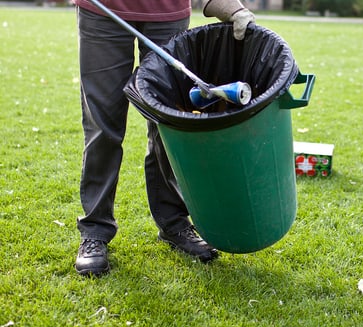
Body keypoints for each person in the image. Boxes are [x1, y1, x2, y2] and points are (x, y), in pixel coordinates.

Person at [73, 0, 255, 276]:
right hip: (102, 11)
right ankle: (95, 230)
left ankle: (174, 224)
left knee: (169, 125)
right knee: (103, 125)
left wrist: (229, 6)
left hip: (166, 13)